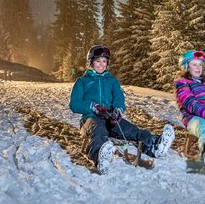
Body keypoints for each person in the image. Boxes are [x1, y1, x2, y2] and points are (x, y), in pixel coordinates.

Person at [69, 44, 175, 175]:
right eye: (97, 61)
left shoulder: (112, 81)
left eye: (104, 61)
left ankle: (155, 145)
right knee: (98, 130)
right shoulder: (82, 81)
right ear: (91, 62)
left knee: (131, 129)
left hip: (109, 117)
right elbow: (74, 104)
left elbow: (119, 98)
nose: (101, 64)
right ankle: (100, 158)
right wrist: (93, 107)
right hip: (90, 119)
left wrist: (118, 111)